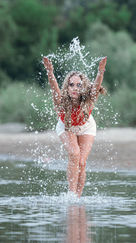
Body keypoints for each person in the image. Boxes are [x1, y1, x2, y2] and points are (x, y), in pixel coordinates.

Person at [43, 56, 107, 197]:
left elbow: (96, 87)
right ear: (67, 86)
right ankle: (71, 195)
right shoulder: (60, 99)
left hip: (86, 127)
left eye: (79, 85)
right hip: (66, 126)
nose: (75, 88)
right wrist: (50, 71)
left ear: (83, 87)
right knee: (74, 154)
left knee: (82, 162)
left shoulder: (89, 98)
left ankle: (78, 196)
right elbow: (53, 86)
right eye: (72, 85)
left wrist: (100, 72)